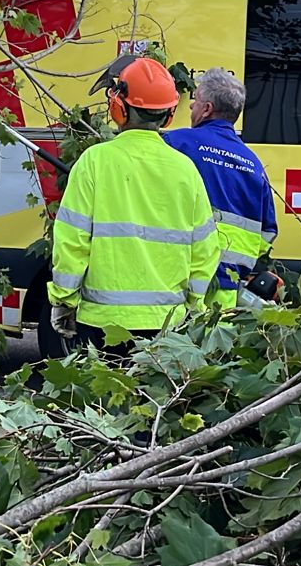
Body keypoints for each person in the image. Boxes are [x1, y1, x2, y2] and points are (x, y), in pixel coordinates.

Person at [47, 57, 220, 354]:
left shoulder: (94, 161)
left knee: (103, 400)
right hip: (167, 325)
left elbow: (72, 242)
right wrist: (194, 306)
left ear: (119, 108)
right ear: (168, 116)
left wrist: (64, 302)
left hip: (102, 324)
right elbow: (204, 250)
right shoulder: (186, 170)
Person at [163, 68, 278, 309]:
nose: (192, 109)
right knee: (216, 345)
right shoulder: (254, 165)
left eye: (194, 103)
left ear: (207, 109)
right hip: (225, 293)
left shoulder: (177, 143)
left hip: (177, 283)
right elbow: (267, 232)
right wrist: (239, 264)